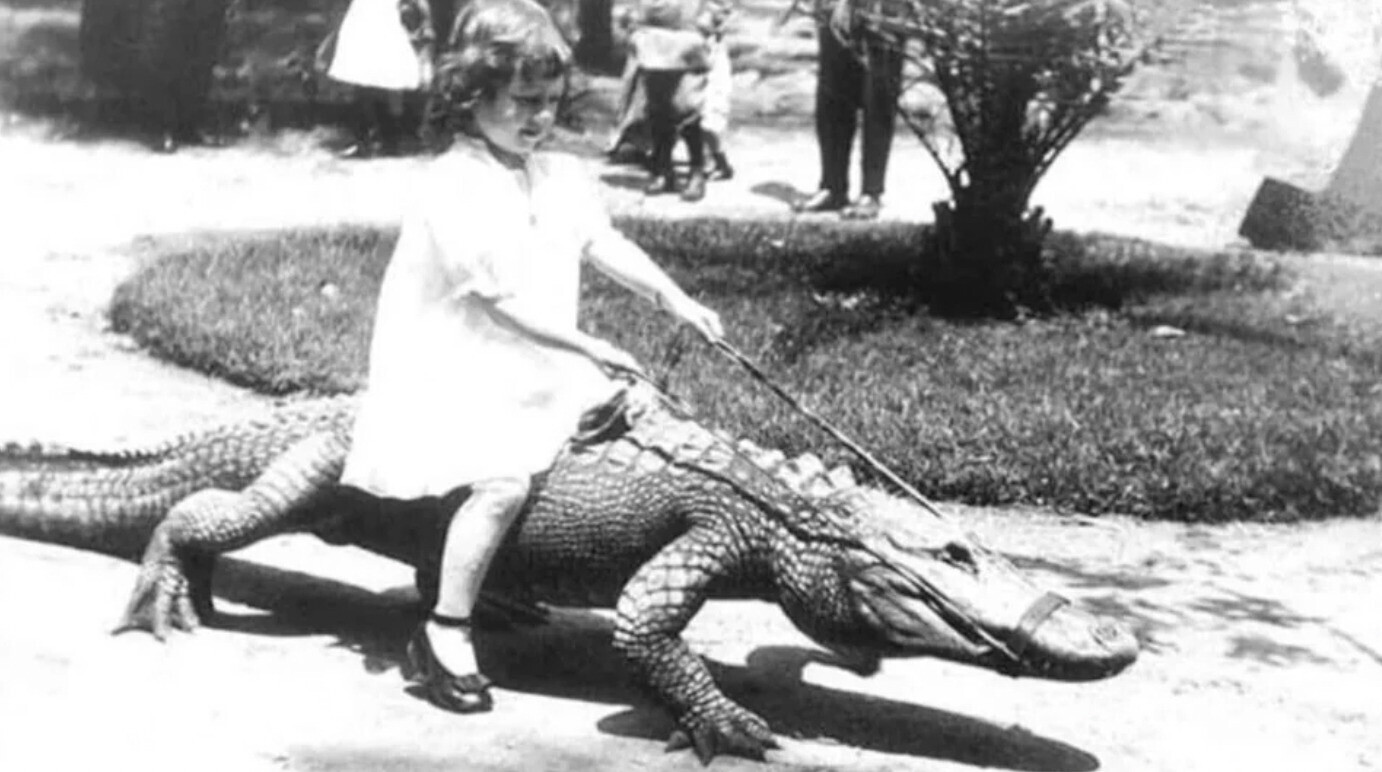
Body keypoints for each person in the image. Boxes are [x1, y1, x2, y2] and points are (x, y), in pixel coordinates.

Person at [338, 0, 725, 714]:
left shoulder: (557, 175)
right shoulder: (452, 184)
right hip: (455, 371)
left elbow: (604, 245)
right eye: (521, 102)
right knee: (503, 484)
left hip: (531, 365)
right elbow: (492, 300)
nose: (537, 118)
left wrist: (674, 299)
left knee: (626, 425)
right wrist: (587, 345)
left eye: (549, 102)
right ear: (470, 96)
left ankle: (491, 581)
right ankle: (445, 629)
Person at [792, 0, 904, 220]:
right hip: (834, 8)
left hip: (884, 9)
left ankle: (871, 192)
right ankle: (833, 187)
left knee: (878, 95)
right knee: (832, 95)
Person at [323, 0, 439, 157]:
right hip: (362, 20)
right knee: (361, 80)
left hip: (386, 22)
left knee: (385, 80)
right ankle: (364, 142)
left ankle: (389, 141)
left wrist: (425, 22)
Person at [699, 0, 734, 181]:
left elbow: (721, 15)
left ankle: (717, 161)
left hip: (711, 54)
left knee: (709, 111)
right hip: (687, 49)